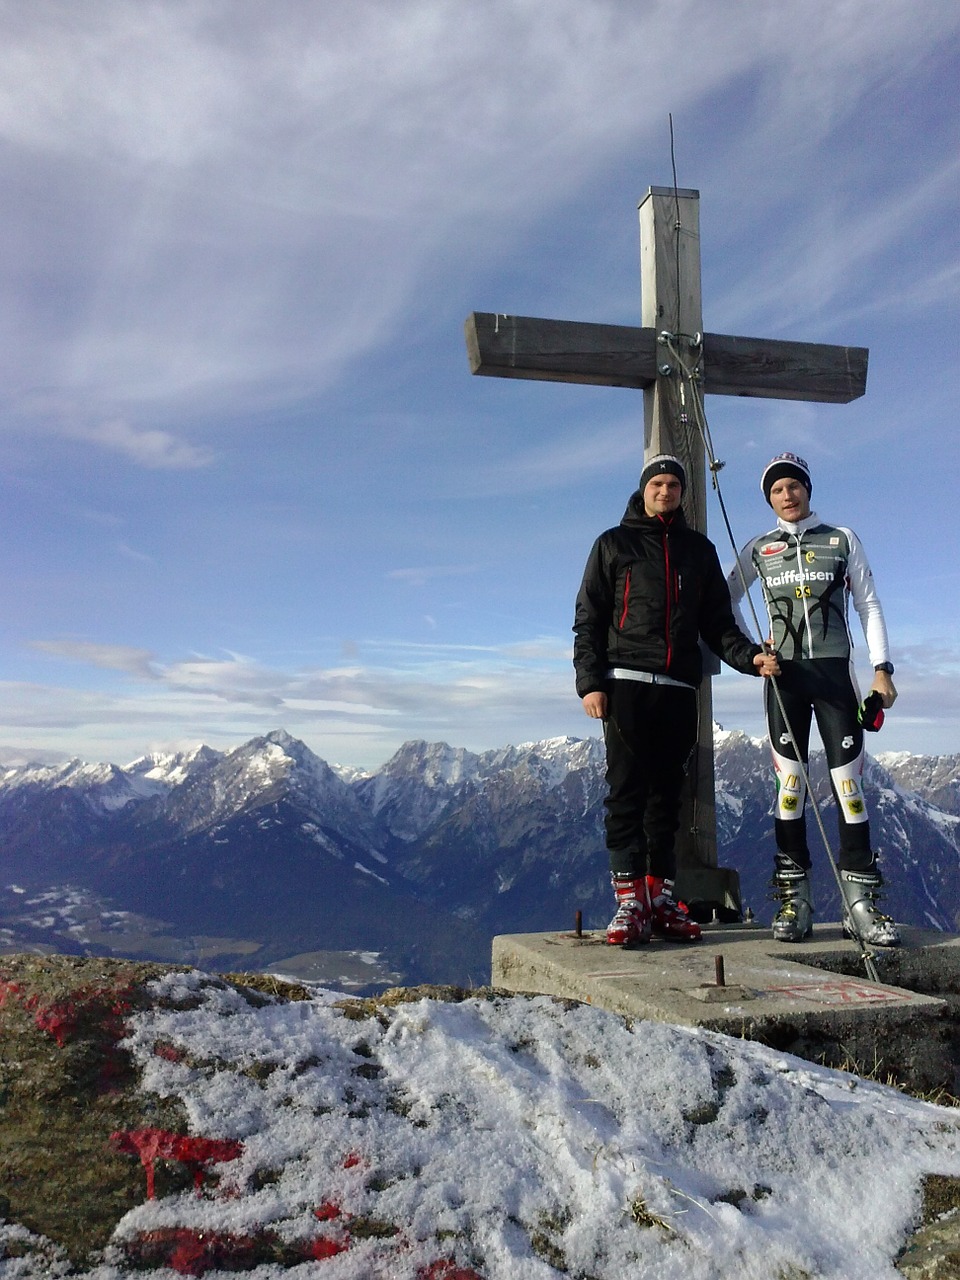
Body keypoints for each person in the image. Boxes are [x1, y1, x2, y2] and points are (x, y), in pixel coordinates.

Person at [574, 454, 780, 947]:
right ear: (644, 490)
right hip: (625, 682)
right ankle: (629, 903)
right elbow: (589, 616)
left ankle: (659, 899)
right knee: (625, 793)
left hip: (679, 689)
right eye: (657, 484)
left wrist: (750, 657)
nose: (665, 491)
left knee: (668, 797)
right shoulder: (613, 544)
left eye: (673, 485)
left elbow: (718, 623)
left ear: (682, 492)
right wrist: (591, 683)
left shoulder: (698, 551)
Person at [726, 452, 899, 947]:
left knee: (850, 788)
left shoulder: (841, 538)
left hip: (834, 677)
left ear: (807, 489)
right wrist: (753, 651)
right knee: (790, 790)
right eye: (777, 490)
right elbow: (727, 596)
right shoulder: (760, 547)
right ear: (769, 499)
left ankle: (860, 906)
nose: (787, 494)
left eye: (794, 485)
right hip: (783, 680)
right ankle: (793, 902)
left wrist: (881, 670)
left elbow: (868, 602)